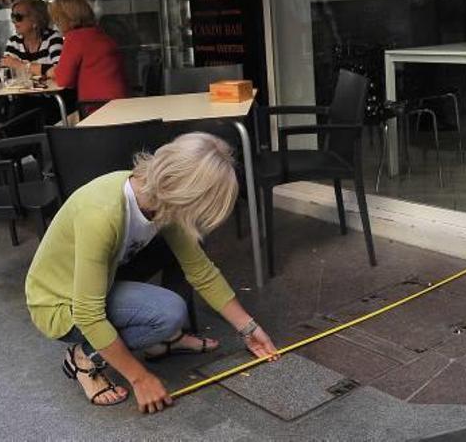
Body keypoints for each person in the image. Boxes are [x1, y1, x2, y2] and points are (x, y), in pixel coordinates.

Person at [25, 133, 279, 412]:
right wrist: (140, 378)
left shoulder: (156, 195)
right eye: (200, 210)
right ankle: (84, 359)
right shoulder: (101, 213)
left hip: (102, 281)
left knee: (181, 262)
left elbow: (200, 270)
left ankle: (164, 340)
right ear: (183, 193)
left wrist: (248, 328)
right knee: (168, 313)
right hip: (58, 303)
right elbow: (88, 314)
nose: (199, 218)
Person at [47, 0, 127, 108]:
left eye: (56, 19)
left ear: (65, 18)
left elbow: (64, 80)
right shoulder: (98, 33)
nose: (56, 24)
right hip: (120, 101)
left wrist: (51, 72)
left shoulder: (75, 38)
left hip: (97, 107)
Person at [0, 0, 63, 77]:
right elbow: (4, 74)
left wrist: (20, 66)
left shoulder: (53, 38)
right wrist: (41, 70)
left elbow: (59, 71)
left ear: (35, 20)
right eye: (13, 16)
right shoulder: (14, 41)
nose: (14, 21)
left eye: (18, 17)